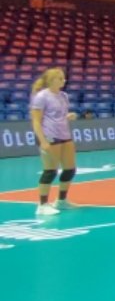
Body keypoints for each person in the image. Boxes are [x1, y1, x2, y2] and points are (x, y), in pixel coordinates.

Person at [29, 67, 79, 216]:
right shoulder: (41, 96)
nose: (64, 80)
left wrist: (68, 116)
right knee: (50, 171)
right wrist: (43, 141)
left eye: (64, 78)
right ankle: (43, 204)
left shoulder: (64, 95)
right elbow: (36, 121)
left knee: (70, 169)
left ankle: (61, 201)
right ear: (51, 80)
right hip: (49, 135)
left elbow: (58, 115)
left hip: (64, 135)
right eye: (60, 78)